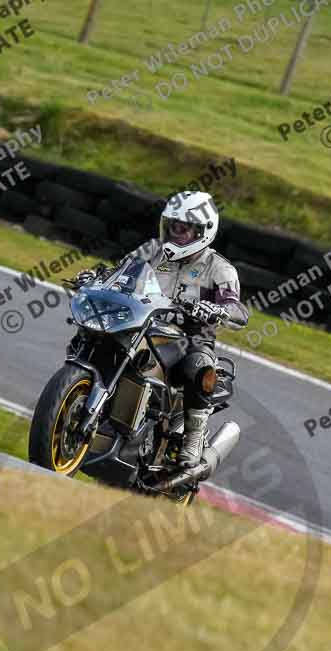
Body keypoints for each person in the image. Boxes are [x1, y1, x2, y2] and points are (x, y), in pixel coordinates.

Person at [76, 190, 248, 467]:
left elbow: (238, 311)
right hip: (144, 323)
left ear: (203, 231)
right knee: (98, 336)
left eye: (183, 229)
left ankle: (193, 438)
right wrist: (96, 279)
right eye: (172, 226)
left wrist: (215, 310)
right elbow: (120, 274)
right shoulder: (151, 250)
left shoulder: (220, 269)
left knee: (199, 365)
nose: (175, 233)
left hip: (188, 338)